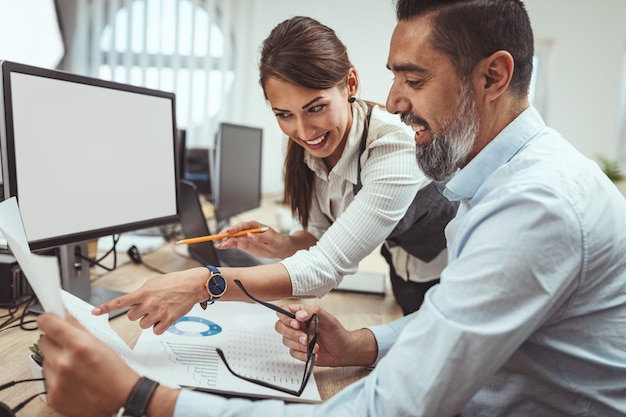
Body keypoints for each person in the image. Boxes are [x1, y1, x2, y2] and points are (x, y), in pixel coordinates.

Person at [36, 0, 626, 416]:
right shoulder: (498, 183)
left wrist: (139, 395)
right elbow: (458, 317)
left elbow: (382, 405)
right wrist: (362, 345)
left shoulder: (531, 205)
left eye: (413, 80)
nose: (394, 102)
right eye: (284, 115)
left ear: (494, 75)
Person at [90, 15, 456, 332]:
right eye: (284, 114)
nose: (303, 130)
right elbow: (321, 240)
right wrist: (282, 244)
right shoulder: (308, 146)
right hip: (404, 270)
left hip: (448, 273)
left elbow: (327, 267)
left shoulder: (393, 147)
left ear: (351, 84)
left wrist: (205, 284)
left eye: (315, 108)